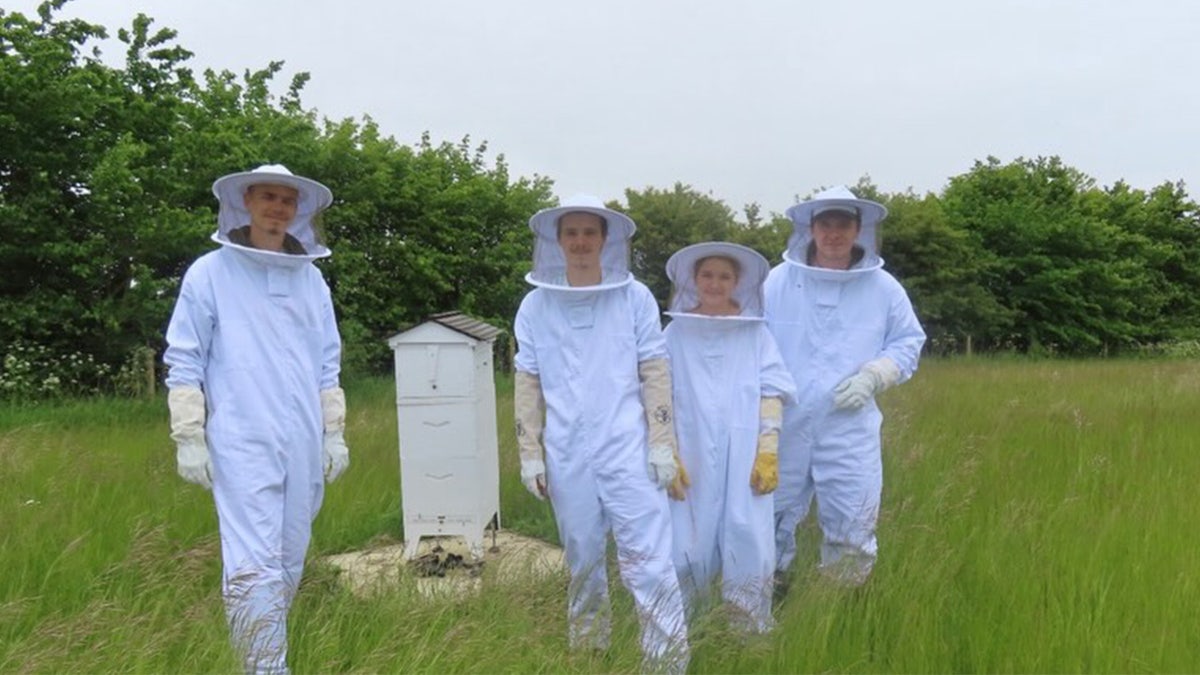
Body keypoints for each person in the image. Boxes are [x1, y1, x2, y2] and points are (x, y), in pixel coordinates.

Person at [164, 164, 349, 674]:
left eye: (287, 201)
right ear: (246, 202)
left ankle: (262, 653)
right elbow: (185, 358)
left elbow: (326, 360)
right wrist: (189, 436)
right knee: (252, 562)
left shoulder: (310, 279)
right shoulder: (210, 273)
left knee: (289, 555)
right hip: (241, 437)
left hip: (304, 439)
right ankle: (266, 668)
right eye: (268, 197)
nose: (277, 208)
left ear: (298, 211)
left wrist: (334, 432)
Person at [513, 194, 689, 672]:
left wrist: (661, 443)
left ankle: (666, 660)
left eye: (590, 233)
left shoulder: (633, 298)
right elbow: (528, 381)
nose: (581, 242)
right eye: (571, 233)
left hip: (628, 448)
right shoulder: (534, 305)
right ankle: (590, 649)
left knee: (649, 558)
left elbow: (654, 370)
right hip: (567, 453)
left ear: (605, 240)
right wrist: (530, 452)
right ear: (558, 240)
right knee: (583, 557)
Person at [764, 185, 925, 587]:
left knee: (853, 514)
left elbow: (908, 340)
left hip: (849, 424)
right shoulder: (778, 281)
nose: (833, 234)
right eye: (826, 224)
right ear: (811, 228)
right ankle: (767, 595)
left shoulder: (883, 287)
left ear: (858, 230)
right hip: (784, 421)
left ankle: (843, 604)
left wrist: (874, 375)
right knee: (770, 512)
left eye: (843, 225)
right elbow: (752, 340)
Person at [663, 242, 796, 633]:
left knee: (749, 533)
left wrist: (768, 450)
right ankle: (686, 625)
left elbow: (772, 390)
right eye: (707, 275)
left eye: (724, 276)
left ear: (737, 282)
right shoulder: (675, 332)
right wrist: (667, 450)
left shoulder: (756, 333)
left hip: (745, 449)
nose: (715, 283)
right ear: (694, 279)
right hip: (690, 449)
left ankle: (749, 628)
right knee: (688, 538)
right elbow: (657, 394)